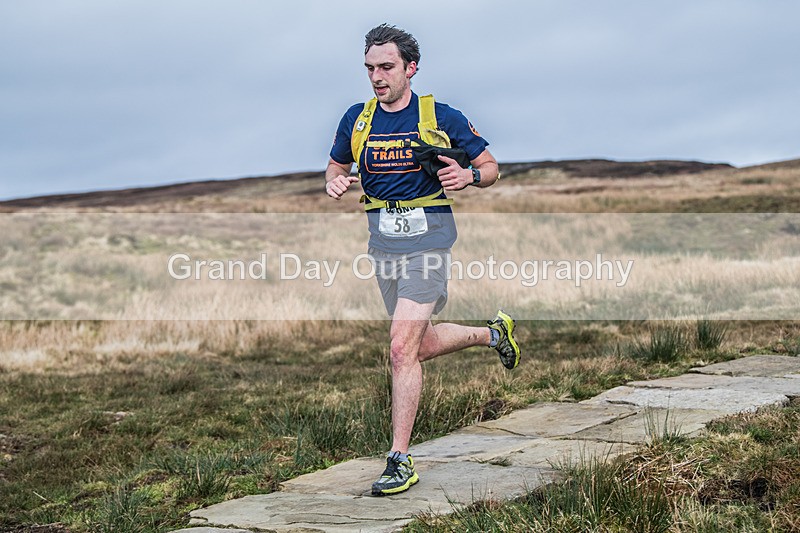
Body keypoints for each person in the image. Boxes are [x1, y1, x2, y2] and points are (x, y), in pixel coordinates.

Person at [325, 23, 521, 496]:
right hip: (383, 245)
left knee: (398, 348)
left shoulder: (440, 114)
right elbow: (336, 163)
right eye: (370, 68)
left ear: (411, 68)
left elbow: (492, 166)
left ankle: (399, 458)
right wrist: (332, 180)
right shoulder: (358, 119)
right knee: (419, 345)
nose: (377, 76)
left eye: (387, 67)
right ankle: (492, 333)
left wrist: (469, 175)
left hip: (429, 242)